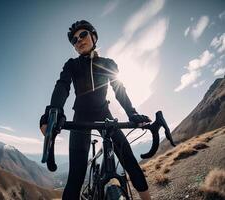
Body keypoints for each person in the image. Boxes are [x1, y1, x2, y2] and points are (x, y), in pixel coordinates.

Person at [40, 20, 152, 200]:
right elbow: (62, 86)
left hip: (104, 114)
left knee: (130, 162)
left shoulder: (108, 63)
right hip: (80, 117)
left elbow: (119, 89)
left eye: (83, 35)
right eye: (74, 40)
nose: (79, 41)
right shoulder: (72, 65)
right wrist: (53, 111)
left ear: (94, 36)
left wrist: (132, 113)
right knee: (75, 176)